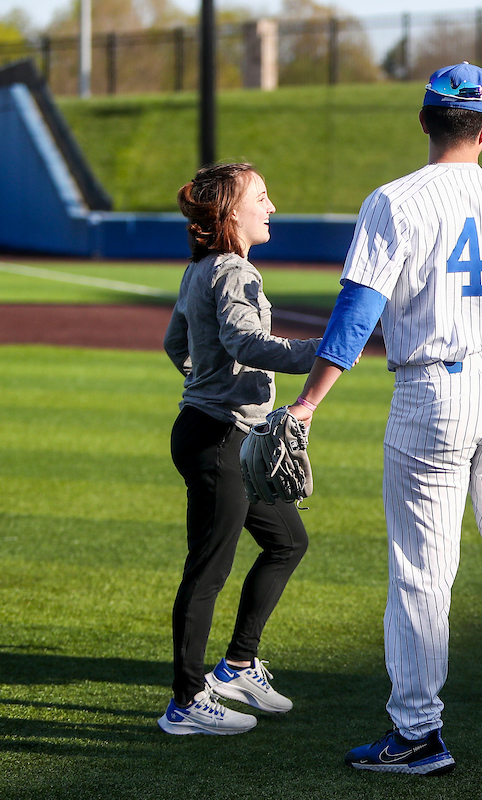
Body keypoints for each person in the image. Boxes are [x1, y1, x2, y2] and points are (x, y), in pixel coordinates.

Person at [285, 62, 482, 775]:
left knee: (423, 571)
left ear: (424, 119)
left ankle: (416, 733)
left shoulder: (396, 201)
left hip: (433, 390)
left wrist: (309, 402)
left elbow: (357, 311)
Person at [159, 163, 321, 736]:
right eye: (261, 196)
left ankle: (238, 666)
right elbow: (243, 341)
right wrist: (324, 351)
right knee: (208, 570)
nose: (271, 206)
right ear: (231, 213)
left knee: (286, 540)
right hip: (221, 437)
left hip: (215, 429)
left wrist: (203, 382)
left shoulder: (200, 267)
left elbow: (175, 341)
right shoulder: (231, 269)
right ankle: (184, 702)